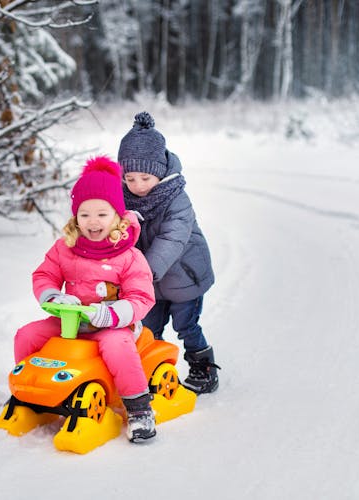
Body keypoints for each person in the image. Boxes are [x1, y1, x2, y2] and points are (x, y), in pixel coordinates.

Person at [14, 156, 158, 442]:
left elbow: (142, 296)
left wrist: (112, 314)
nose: (93, 222)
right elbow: (44, 275)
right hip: (71, 322)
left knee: (117, 347)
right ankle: (30, 393)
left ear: (117, 216)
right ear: (75, 217)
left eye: (102, 214)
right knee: (27, 335)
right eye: (85, 214)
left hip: (114, 325)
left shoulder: (128, 255)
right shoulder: (65, 247)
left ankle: (139, 408)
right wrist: (53, 296)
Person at [117, 111, 221, 394]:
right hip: (149, 283)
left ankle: (203, 368)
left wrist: (144, 272)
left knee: (186, 326)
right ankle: (153, 372)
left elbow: (172, 238)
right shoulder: (123, 201)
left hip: (183, 277)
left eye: (145, 177)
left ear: (160, 172)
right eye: (130, 178)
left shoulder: (176, 198)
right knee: (149, 329)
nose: (137, 185)